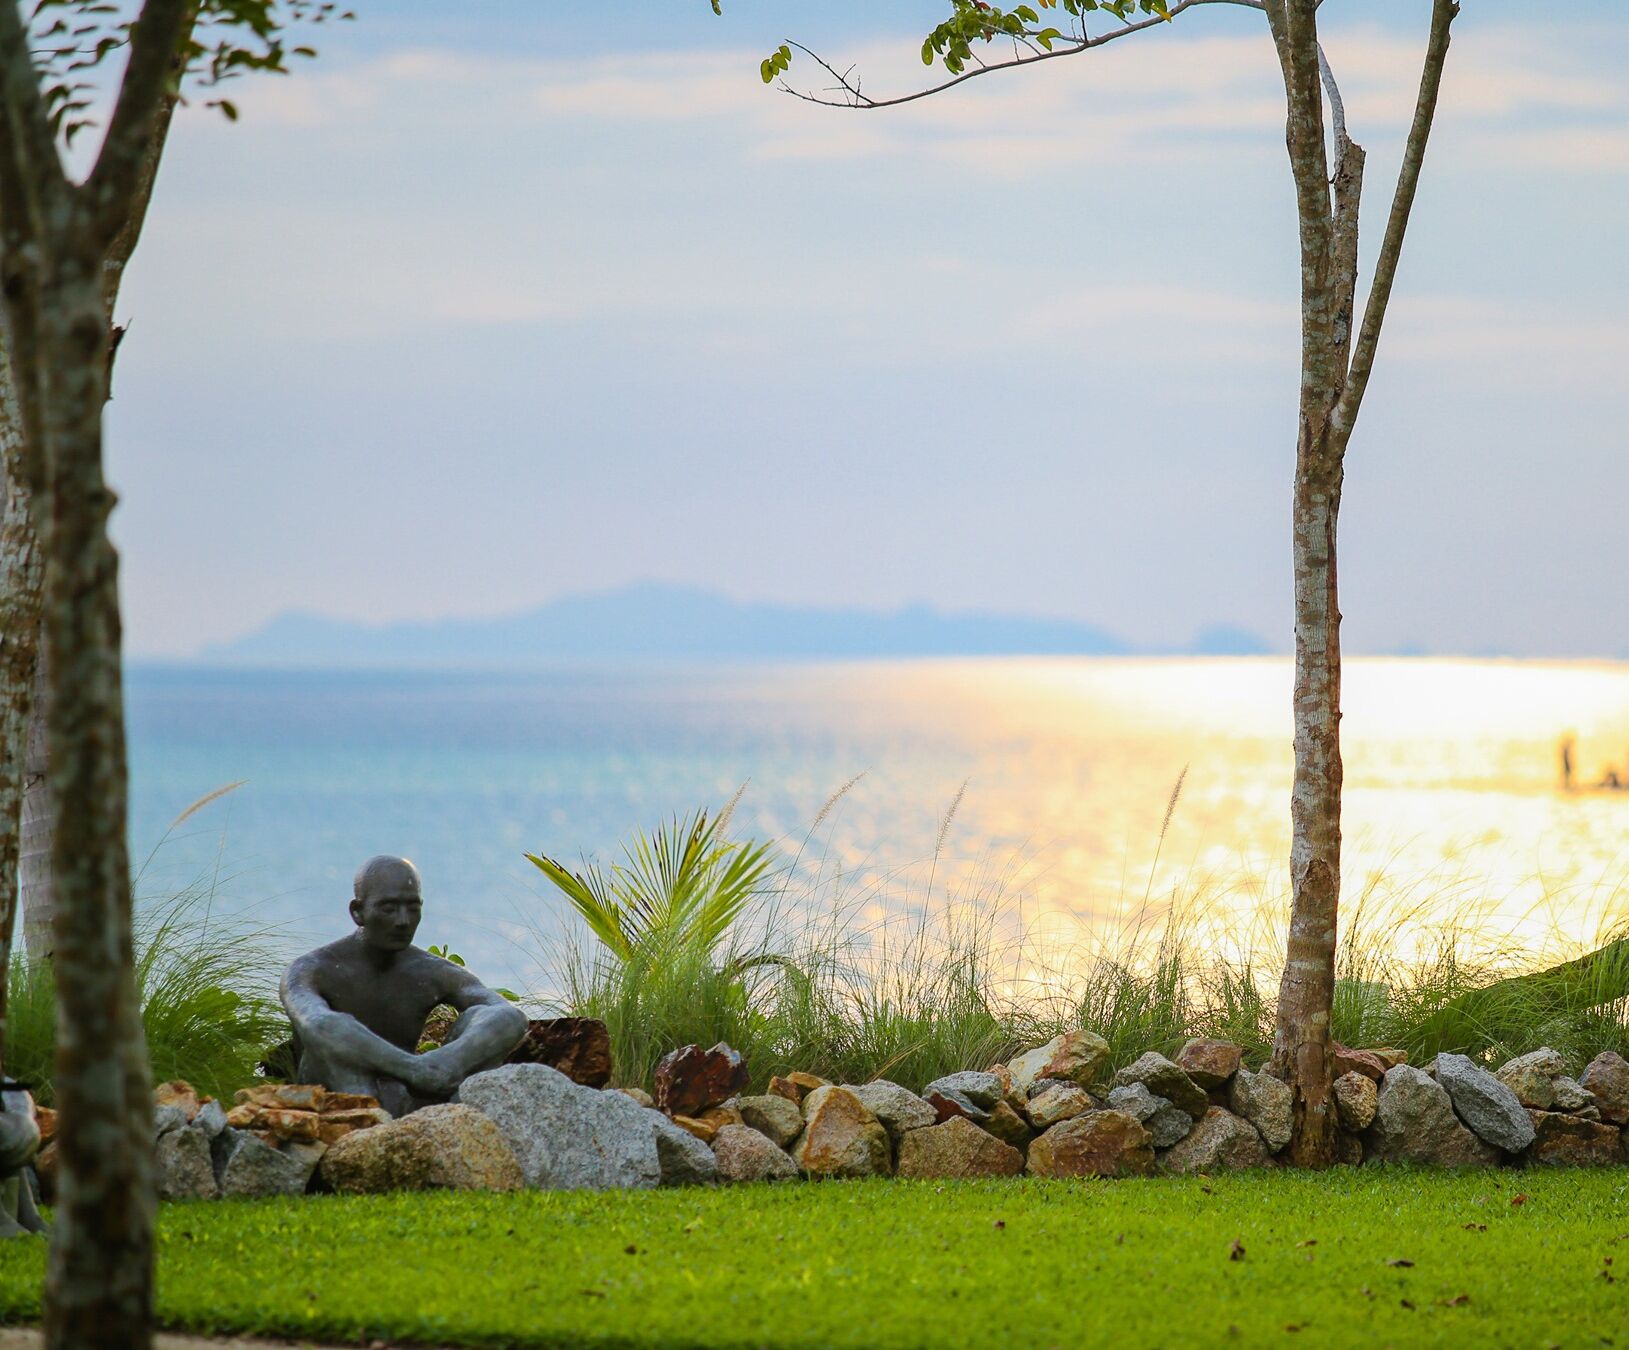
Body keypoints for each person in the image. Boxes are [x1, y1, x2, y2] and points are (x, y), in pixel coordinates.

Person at [280, 856, 527, 1116]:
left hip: (409, 1101)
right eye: (388, 908)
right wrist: (413, 1069)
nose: (403, 921)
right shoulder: (310, 969)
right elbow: (318, 1024)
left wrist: (448, 1061)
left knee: (486, 1016)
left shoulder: (431, 970)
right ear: (357, 912)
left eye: (412, 908)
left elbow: (508, 1015)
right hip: (335, 1103)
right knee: (331, 1036)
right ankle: (367, 1131)